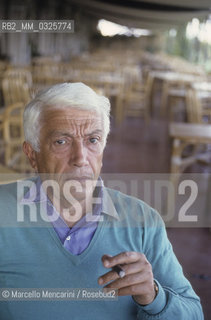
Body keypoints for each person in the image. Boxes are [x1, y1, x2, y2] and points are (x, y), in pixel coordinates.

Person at [0, 83, 204, 319]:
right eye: (61, 142)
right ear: (32, 155)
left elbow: (193, 313)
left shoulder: (143, 223)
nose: (80, 158)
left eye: (92, 140)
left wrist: (154, 297)